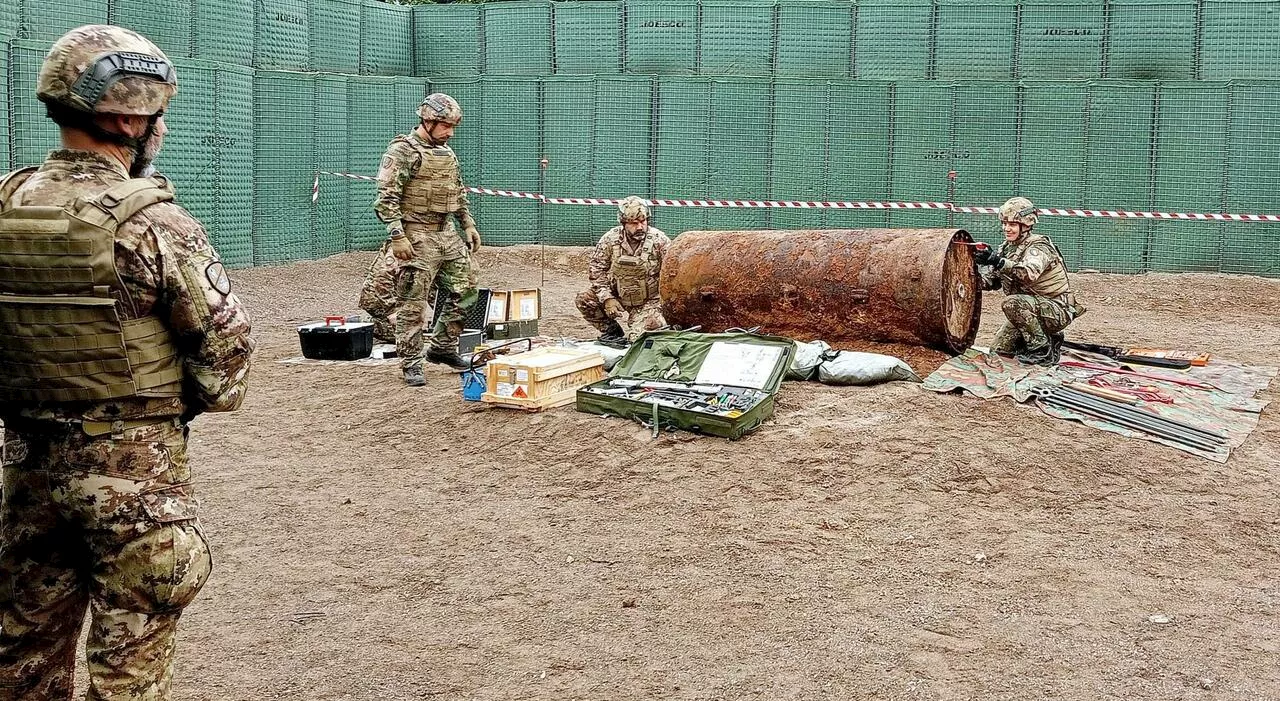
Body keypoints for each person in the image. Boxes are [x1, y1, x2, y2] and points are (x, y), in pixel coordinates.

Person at [0, 24, 254, 699]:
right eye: (156, 116)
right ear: (126, 116)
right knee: (128, 671)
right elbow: (227, 355)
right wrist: (172, 404)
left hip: (26, 474)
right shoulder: (154, 222)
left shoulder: (5, 202)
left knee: (21, 658)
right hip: (135, 481)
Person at [371, 93, 481, 386]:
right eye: (445, 125)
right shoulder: (403, 150)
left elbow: (457, 192)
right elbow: (386, 198)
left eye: (452, 126)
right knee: (413, 302)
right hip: (416, 234)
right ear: (428, 121)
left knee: (468, 289)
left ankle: (442, 347)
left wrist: (467, 224)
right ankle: (411, 362)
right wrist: (397, 236)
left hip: (446, 233)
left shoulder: (447, 153)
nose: (450, 132)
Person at [976, 196, 1085, 365]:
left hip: (1056, 309)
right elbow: (990, 282)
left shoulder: (1039, 246)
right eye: (1004, 224)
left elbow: (1028, 273)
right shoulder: (1006, 248)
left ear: (1026, 225)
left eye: (1012, 224)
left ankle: (1041, 352)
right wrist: (971, 268)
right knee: (999, 353)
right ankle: (1047, 339)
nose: (1006, 228)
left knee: (1011, 303)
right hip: (1031, 309)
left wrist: (997, 261)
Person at [575, 196, 671, 343]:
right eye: (633, 223)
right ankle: (612, 331)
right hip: (619, 295)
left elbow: (672, 273)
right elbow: (596, 270)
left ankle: (641, 324)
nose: (640, 227)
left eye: (643, 221)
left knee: (639, 339)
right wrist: (607, 298)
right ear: (623, 223)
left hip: (648, 301)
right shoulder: (610, 240)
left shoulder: (660, 241)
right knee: (585, 300)